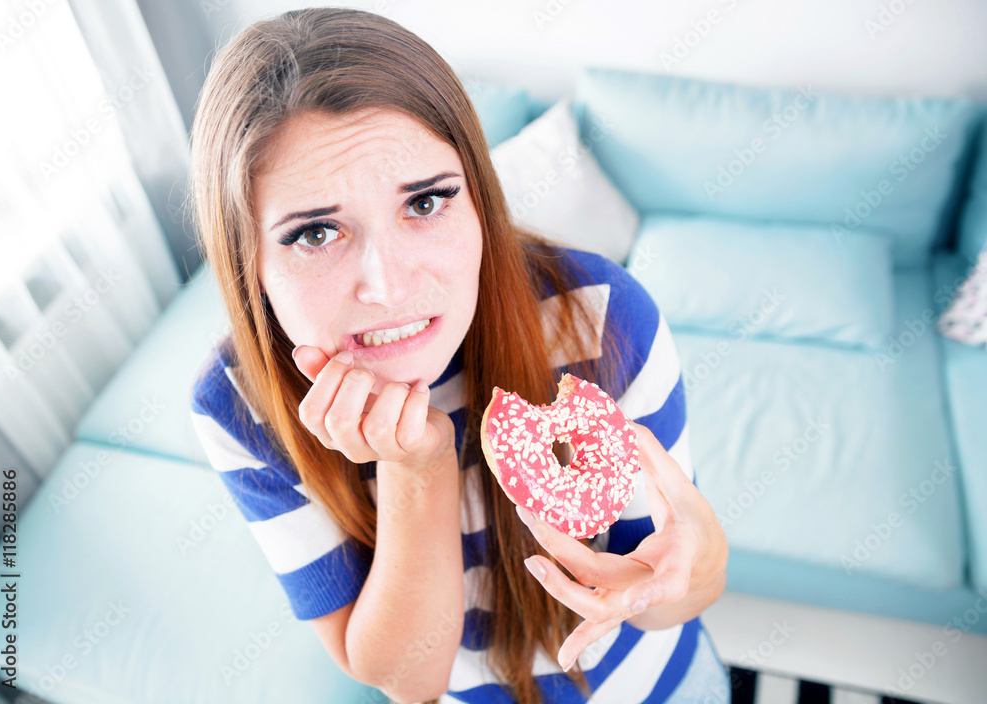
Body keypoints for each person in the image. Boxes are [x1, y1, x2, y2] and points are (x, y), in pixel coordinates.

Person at [187, 7, 730, 704]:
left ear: (477, 197)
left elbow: (682, 587)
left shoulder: (600, 320)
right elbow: (412, 680)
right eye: (317, 233)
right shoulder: (239, 406)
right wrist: (417, 468)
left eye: (426, 203)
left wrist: (682, 569)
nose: (389, 287)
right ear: (247, 262)